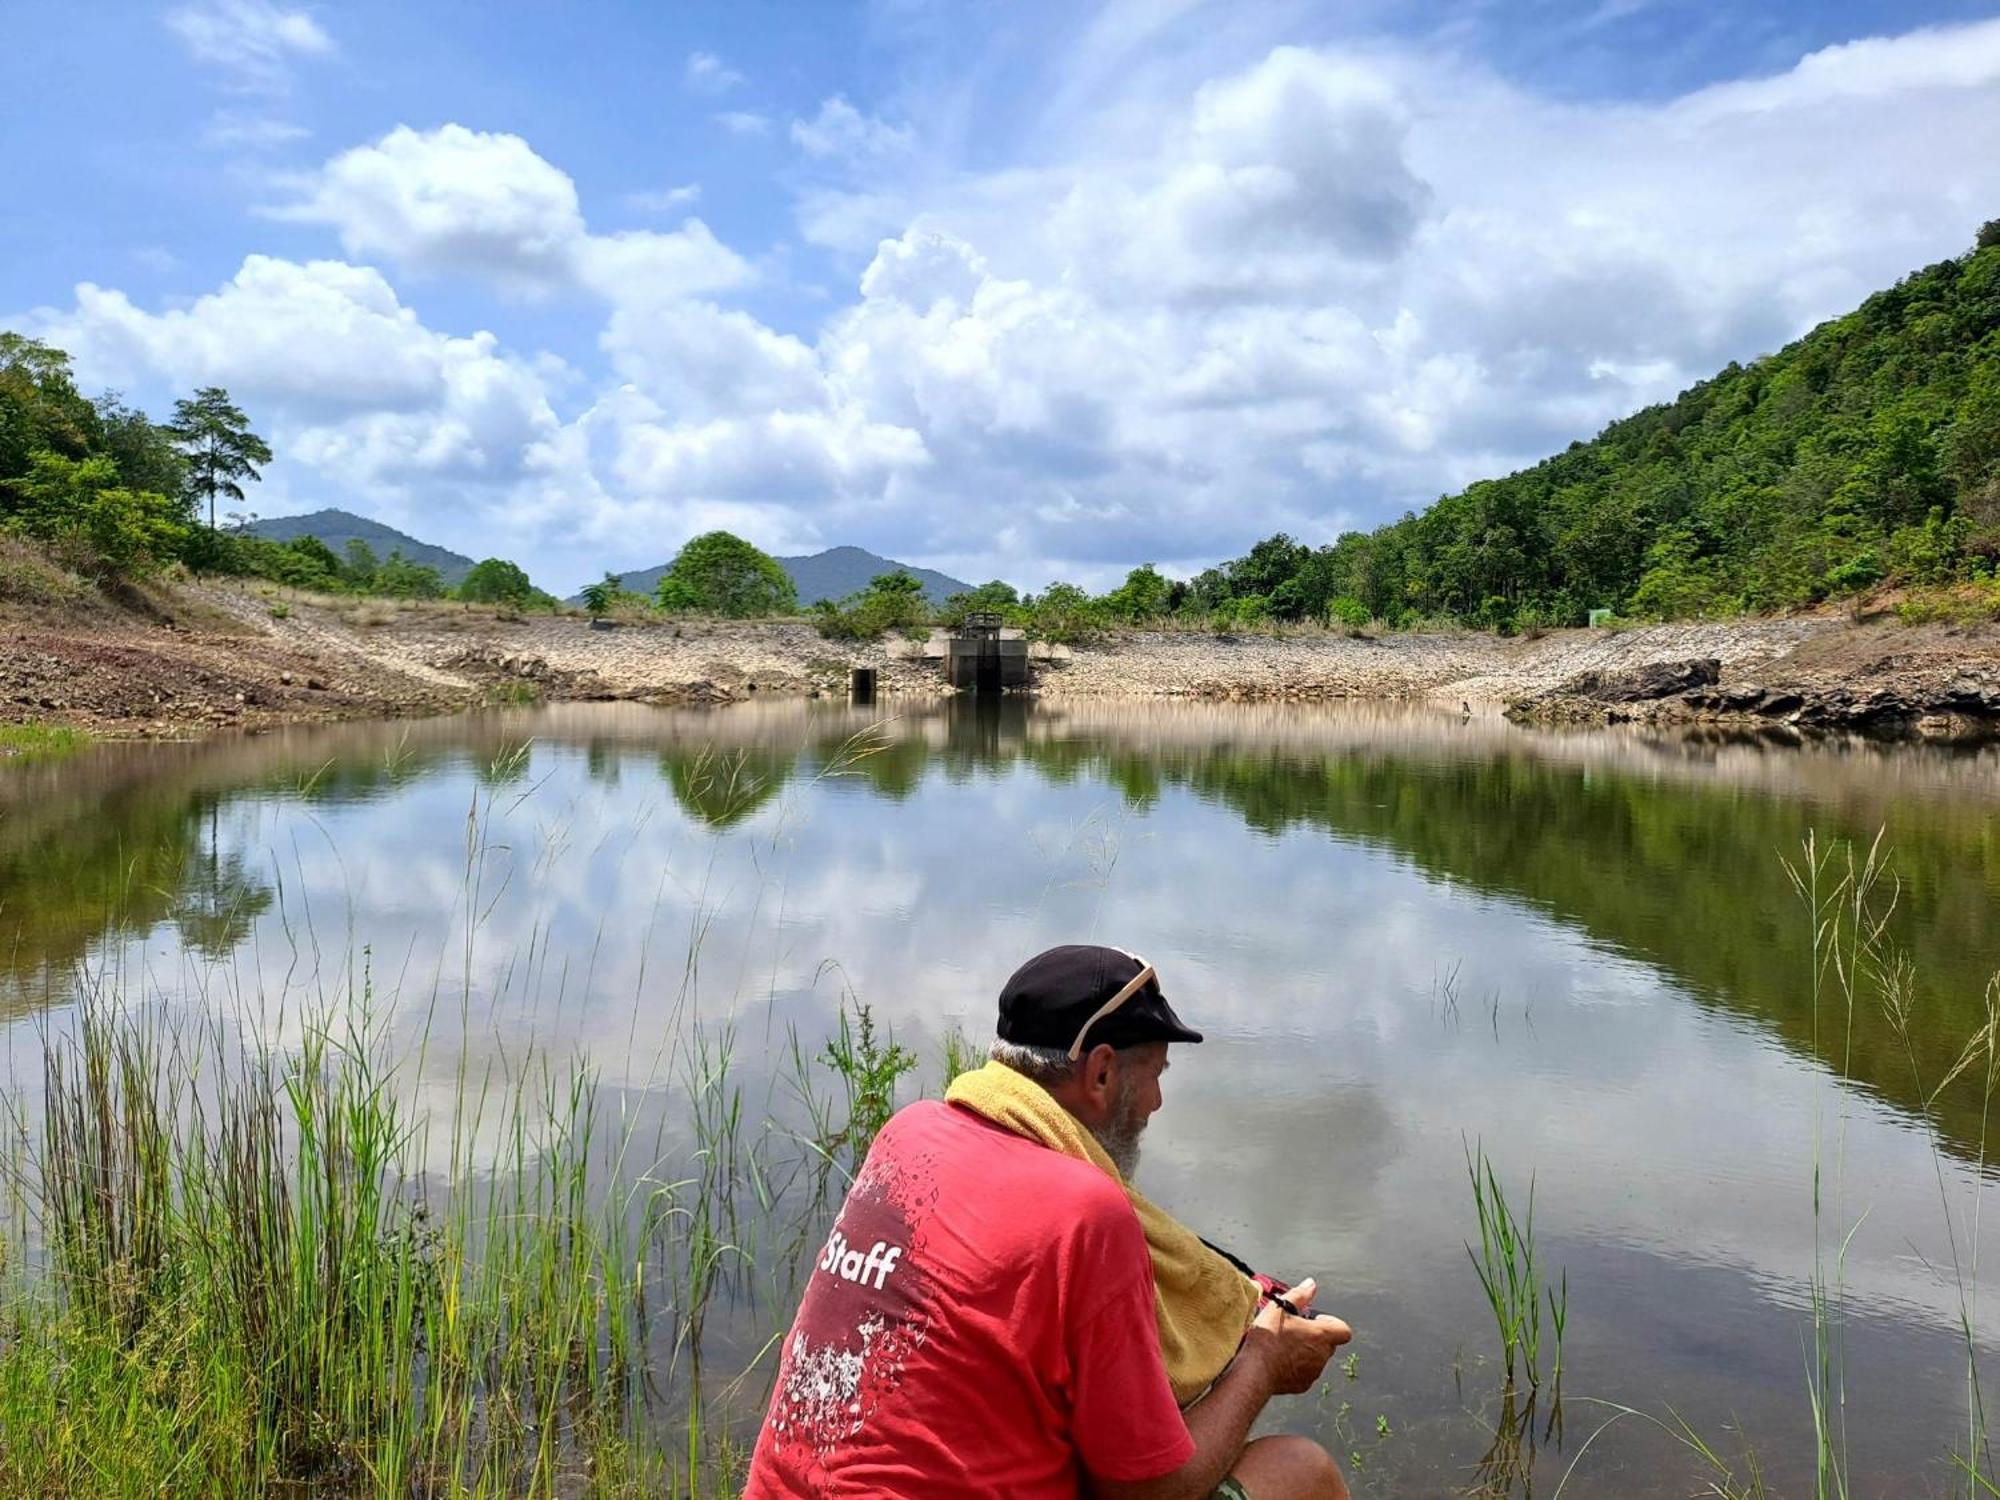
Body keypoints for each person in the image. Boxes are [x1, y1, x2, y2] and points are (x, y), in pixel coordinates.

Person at [742, 943, 1352, 1499]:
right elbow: (1151, 1492)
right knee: (1300, 1471)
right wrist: (1262, 1365)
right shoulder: (1087, 1213)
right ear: (1102, 1071)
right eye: (1156, 1076)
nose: (1158, 1104)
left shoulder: (908, 1134)